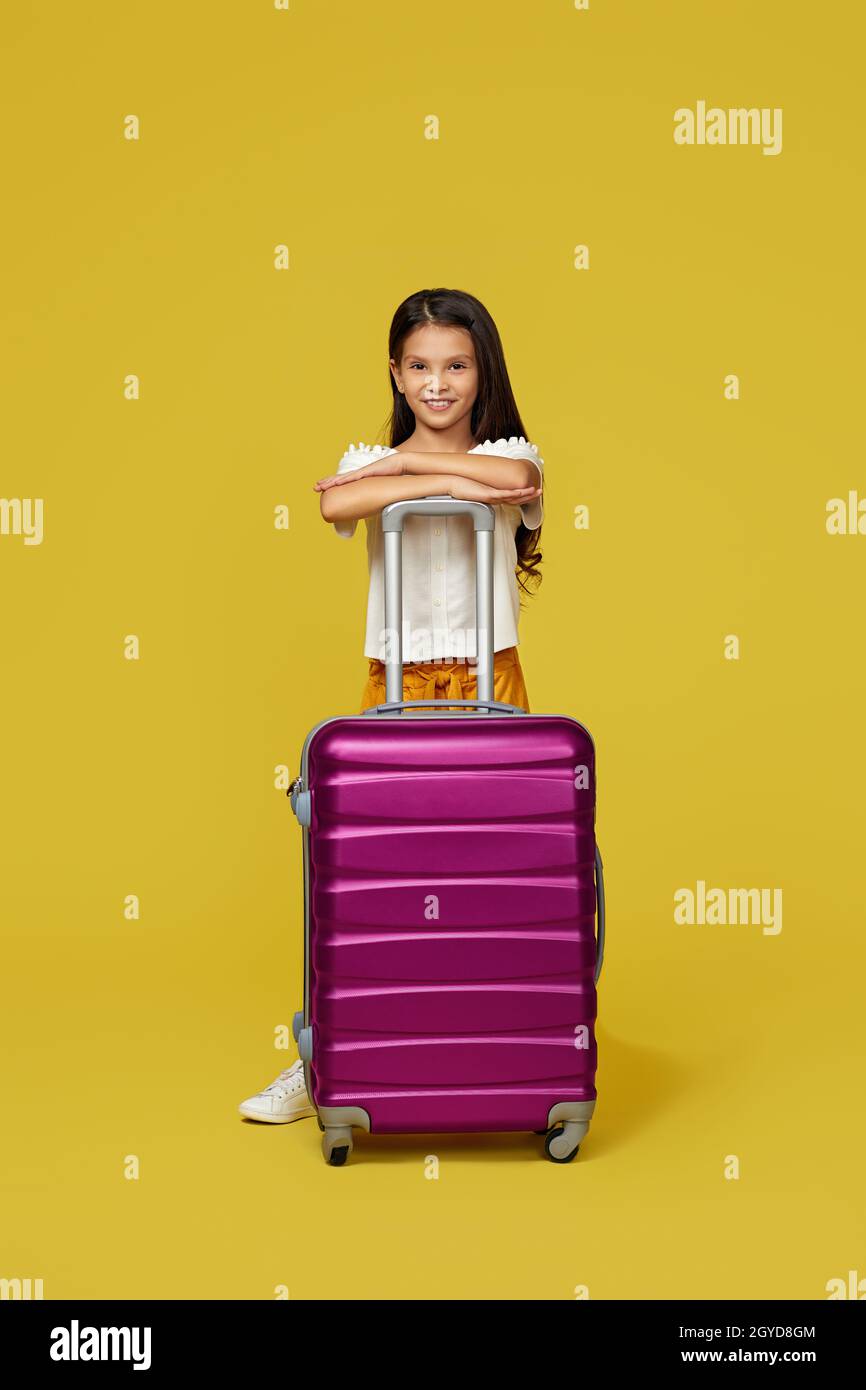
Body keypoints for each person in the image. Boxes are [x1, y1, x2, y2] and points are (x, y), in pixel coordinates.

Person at [238, 287, 545, 1124]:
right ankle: (326, 1058)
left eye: (455, 366)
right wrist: (405, 464)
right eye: (419, 367)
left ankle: (500, 1047)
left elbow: (514, 482)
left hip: (491, 680)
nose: (437, 384)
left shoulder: (513, 448)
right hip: (396, 682)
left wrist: (411, 468)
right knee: (379, 873)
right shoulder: (361, 457)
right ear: (395, 373)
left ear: (482, 374)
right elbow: (338, 502)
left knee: (497, 867)